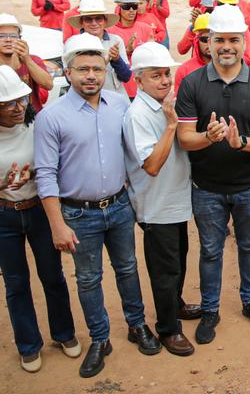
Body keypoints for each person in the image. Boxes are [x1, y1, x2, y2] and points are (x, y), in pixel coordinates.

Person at [35, 34, 159, 378]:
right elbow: (45, 174)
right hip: (78, 212)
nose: (91, 75)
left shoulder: (120, 105)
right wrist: (57, 224)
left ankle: (137, 326)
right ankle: (100, 339)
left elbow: (136, 153)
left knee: (128, 268)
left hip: (119, 207)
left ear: (106, 71)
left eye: (97, 69)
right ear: (69, 73)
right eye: (83, 69)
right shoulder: (51, 117)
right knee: (88, 279)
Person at [176, 5, 250, 344]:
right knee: (210, 250)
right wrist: (208, 137)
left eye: (234, 40)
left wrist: (241, 142)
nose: (226, 47)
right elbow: (184, 138)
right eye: (219, 39)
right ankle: (210, 309)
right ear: (207, 41)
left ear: (244, 41)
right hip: (206, 187)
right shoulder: (192, 84)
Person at [0, 66, 79, 373]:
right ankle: (28, 345)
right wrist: (4, 184)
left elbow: (54, 165)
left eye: (21, 101)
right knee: (16, 283)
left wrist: (32, 174)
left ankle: (63, 334)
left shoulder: (37, 126)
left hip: (39, 211)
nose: (18, 108)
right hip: (5, 215)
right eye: (8, 104)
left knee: (52, 275)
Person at [123, 43, 199, 357]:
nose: (165, 80)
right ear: (138, 80)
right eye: (156, 75)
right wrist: (171, 126)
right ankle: (168, 329)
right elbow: (152, 166)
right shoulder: (139, 114)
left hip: (175, 201)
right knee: (165, 269)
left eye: (167, 73)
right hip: (155, 206)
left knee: (179, 258)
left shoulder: (165, 103)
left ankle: (175, 305)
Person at [67, 0, 132, 97]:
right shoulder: (72, 43)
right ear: (82, 22)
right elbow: (68, 78)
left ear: (105, 21)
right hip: (84, 98)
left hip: (114, 98)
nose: (94, 23)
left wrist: (117, 59)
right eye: (88, 19)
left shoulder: (115, 41)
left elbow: (126, 76)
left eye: (98, 19)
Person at [0, 13, 53, 112]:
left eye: (13, 36)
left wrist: (27, 60)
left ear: (20, 39)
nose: (8, 40)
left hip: (32, 119)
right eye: (2, 36)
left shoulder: (33, 60)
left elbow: (48, 85)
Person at [174, 14, 211, 93]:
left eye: (215, 39)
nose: (209, 44)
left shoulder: (230, 68)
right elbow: (181, 49)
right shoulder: (185, 70)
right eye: (204, 39)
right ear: (197, 40)